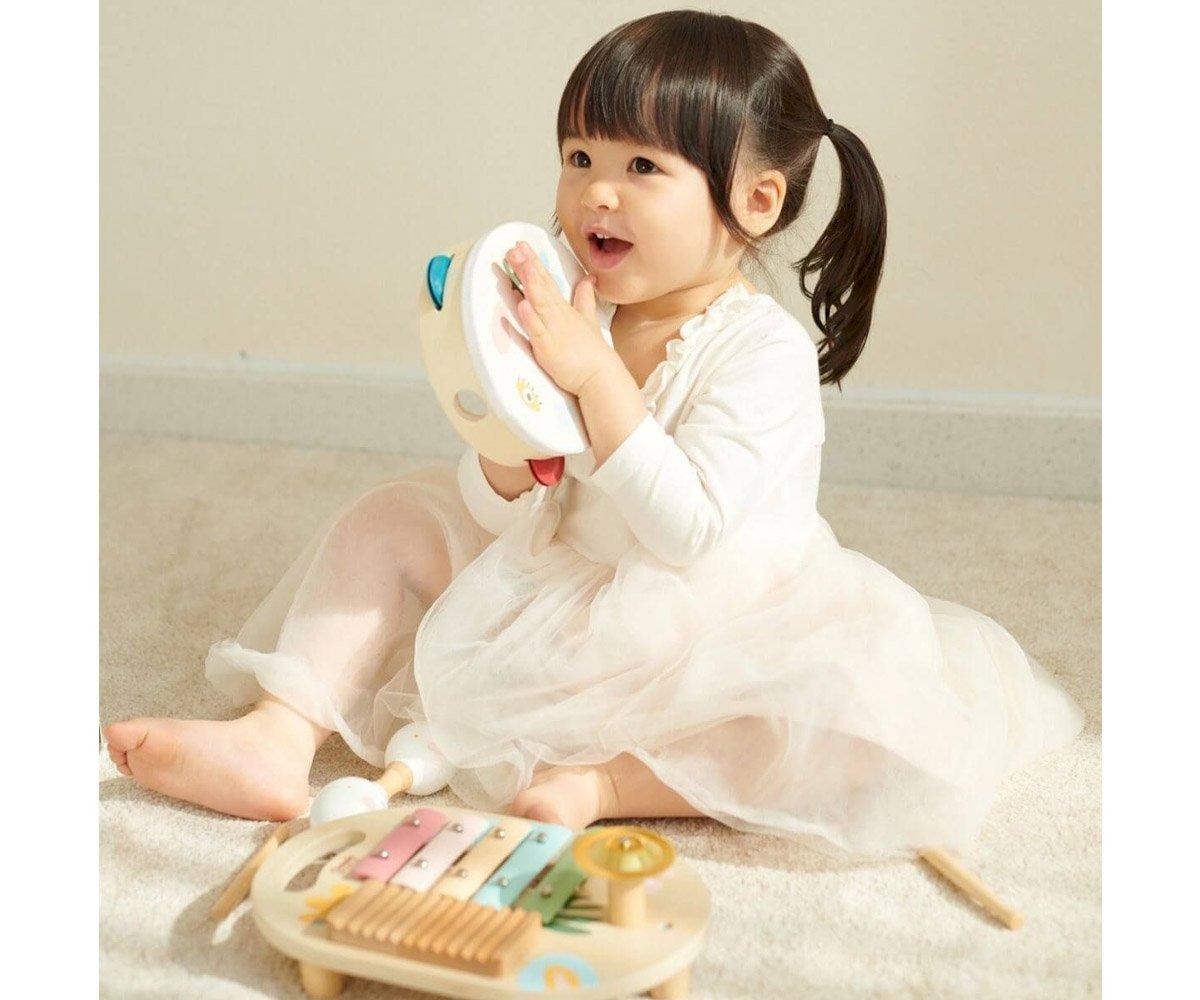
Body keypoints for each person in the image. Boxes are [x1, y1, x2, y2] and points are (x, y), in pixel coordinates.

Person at [105, 10, 1083, 859]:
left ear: (754, 202)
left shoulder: (762, 354)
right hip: (558, 576)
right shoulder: (579, 308)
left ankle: (604, 783)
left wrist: (591, 376)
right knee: (392, 517)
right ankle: (278, 732)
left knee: (850, 722)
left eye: (641, 168)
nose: (595, 194)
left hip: (701, 621)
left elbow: (687, 531)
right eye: (579, 158)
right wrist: (505, 453)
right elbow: (507, 502)